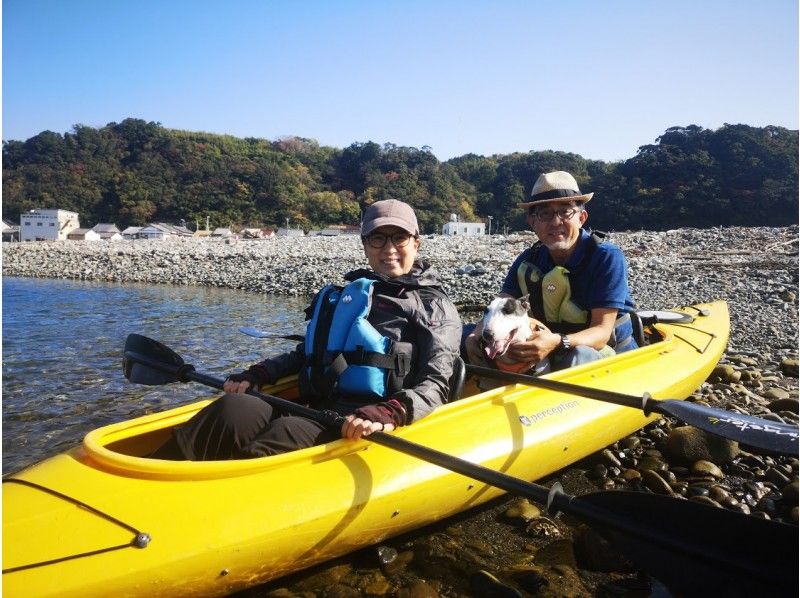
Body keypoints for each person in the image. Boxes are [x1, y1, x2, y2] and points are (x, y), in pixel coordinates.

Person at [153, 199, 462, 460]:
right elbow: (309, 354)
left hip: (366, 418)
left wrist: (390, 413)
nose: (389, 248)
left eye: (399, 237)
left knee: (284, 433)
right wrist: (259, 373)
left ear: (416, 242)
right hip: (318, 406)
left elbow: (437, 383)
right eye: (378, 239)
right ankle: (154, 475)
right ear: (365, 245)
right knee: (234, 408)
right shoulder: (350, 294)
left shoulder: (432, 305)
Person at [465, 170, 637, 375]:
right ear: (532, 222)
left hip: (609, 356)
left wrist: (557, 342)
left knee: (580, 355)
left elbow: (601, 333)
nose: (556, 222)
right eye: (545, 214)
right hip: (550, 349)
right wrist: (476, 335)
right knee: (466, 334)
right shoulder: (529, 259)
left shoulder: (606, 257)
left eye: (565, 212)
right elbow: (502, 301)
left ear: (581, 217)